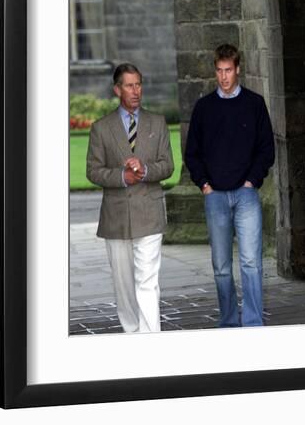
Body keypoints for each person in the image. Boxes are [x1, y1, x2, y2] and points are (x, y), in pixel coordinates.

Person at [185, 43, 275, 327]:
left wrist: (251, 182)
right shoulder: (204, 108)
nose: (223, 76)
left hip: (246, 194)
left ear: (237, 69)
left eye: (228, 70)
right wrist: (205, 186)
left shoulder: (254, 104)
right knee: (222, 267)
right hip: (215, 196)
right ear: (215, 71)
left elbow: (266, 149)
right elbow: (192, 153)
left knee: (251, 262)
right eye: (219, 71)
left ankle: (252, 322)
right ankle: (228, 322)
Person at [86, 63, 174, 333]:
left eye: (138, 84)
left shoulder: (157, 123)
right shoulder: (101, 128)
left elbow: (168, 165)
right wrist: (122, 176)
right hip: (116, 217)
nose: (136, 91)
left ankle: (150, 341)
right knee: (124, 285)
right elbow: (93, 171)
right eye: (129, 85)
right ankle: (132, 336)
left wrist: (145, 170)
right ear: (117, 89)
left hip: (149, 213)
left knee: (147, 282)